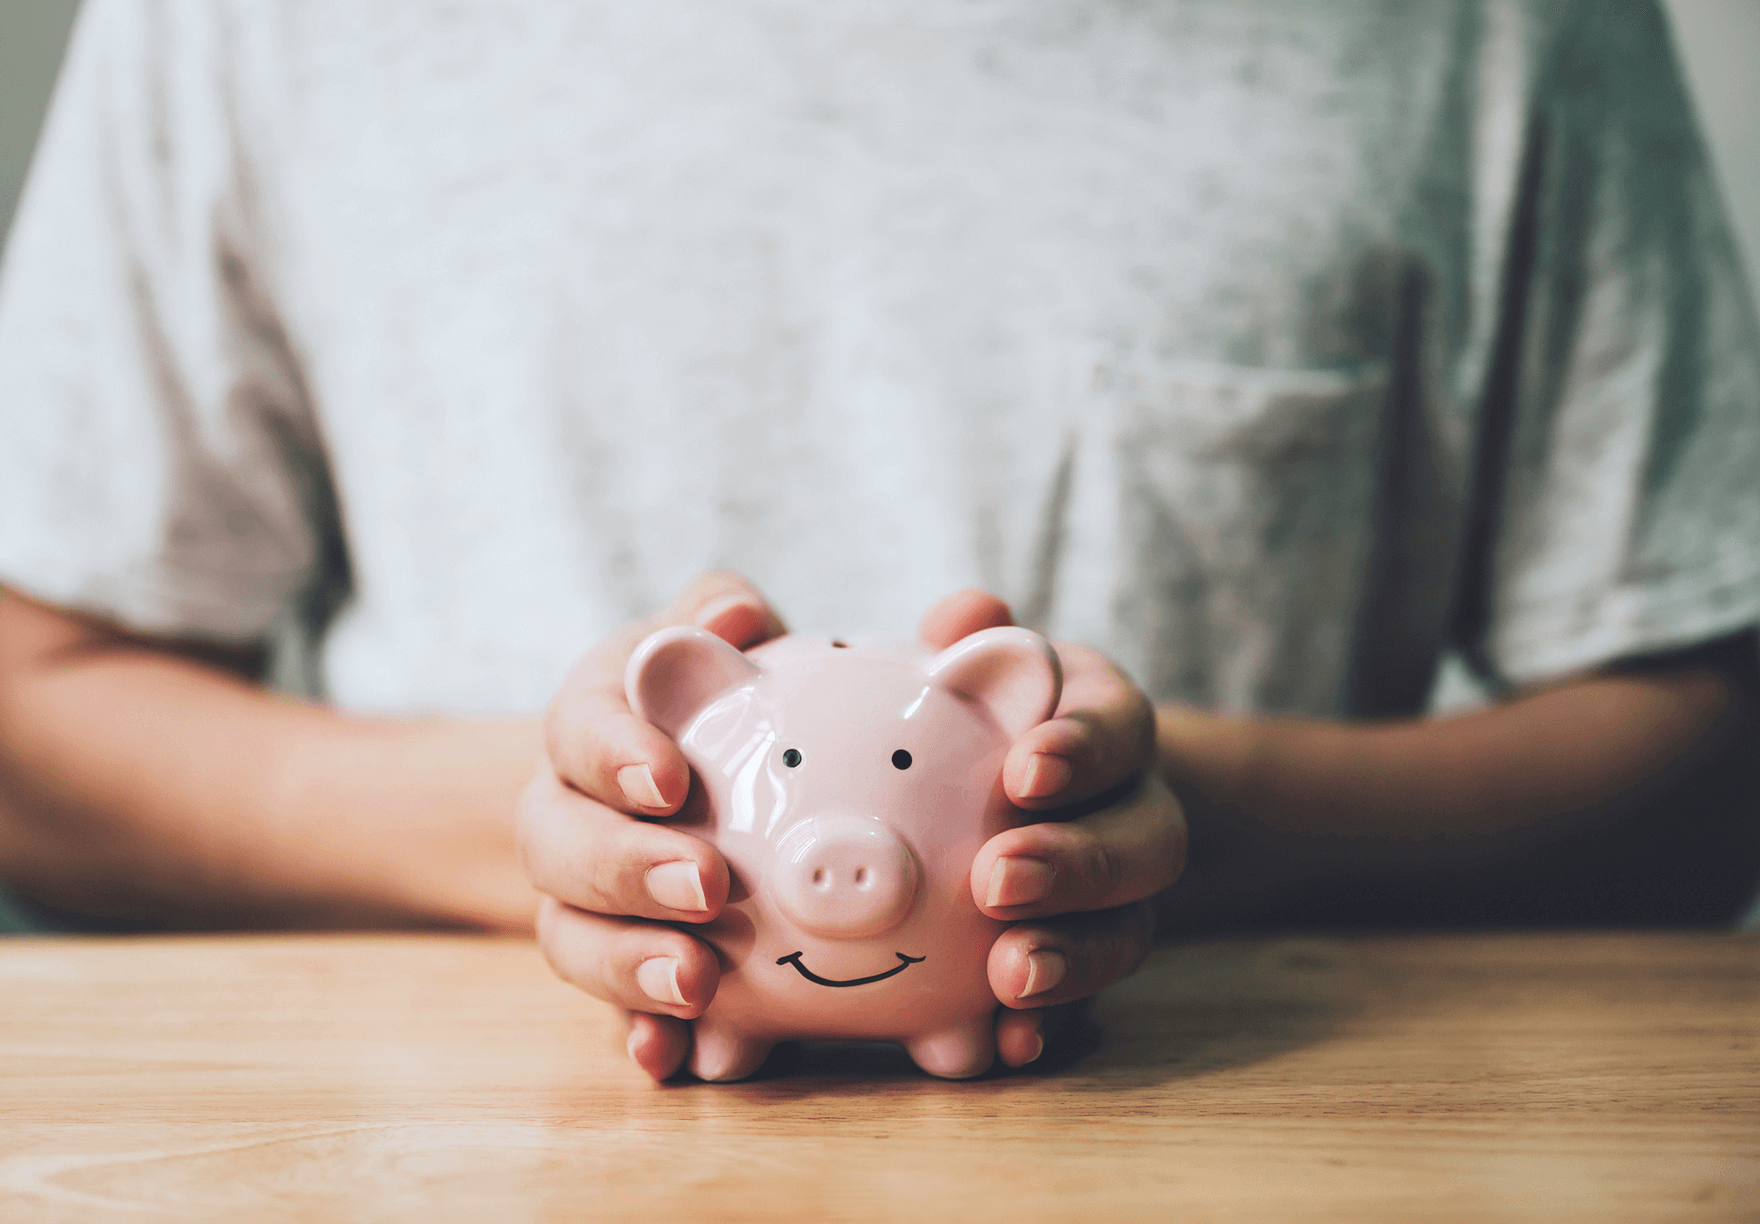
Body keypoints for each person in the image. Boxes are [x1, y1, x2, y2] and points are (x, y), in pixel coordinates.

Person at [1, 0, 1756, 1081]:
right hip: (491, 1139)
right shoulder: (248, 19)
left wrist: (1191, 826)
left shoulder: (1506, 22)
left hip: (1239, 1111)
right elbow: (32, 715)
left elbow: (1715, 743)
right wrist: (564, 841)